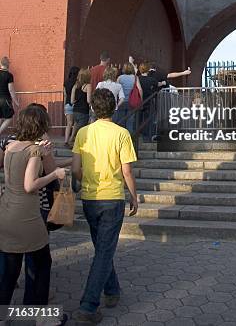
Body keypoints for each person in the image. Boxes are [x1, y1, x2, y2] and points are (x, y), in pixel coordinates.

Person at [72, 89, 138, 324]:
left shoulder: (83, 132)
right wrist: (134, 196)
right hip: (112, 198)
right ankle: (89, 305)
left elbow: (75, 168)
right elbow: (127, 171)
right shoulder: (121, 134)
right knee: (104, 250)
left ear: (92, 108)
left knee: (102, 247)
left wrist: (84, 180)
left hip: (90, 198)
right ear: (114, 108)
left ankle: (112, 291)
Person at [0, 106, 67, 325]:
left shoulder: (11, 147)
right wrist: (55, 174)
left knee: (9, 271)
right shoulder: (34, 151)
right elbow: (30, 185)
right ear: (41, 126)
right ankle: (41, 317)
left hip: (7, 213)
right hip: (27, 217)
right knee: (41, 264)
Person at [116, 62, 143, 131]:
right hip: (132, 102)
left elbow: (116, 89)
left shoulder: (120, 78)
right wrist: (141, 100)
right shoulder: (135, 77)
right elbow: (140, 89)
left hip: (121, 101)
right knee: (130, 122)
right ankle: (129, 138)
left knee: (121, 121)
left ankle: (121, 138)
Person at [138, 62, 160, 141]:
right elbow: (157, 85)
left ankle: (139, 135)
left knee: (139, 119)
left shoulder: (138, 79)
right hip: (149, 101)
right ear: (148, 70)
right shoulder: (152, 80)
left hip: (140, 102)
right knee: (149, 120)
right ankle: (148, 137)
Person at [71, 68, 92, 145]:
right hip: (83, 111)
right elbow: (88, 100)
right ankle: (76, 143)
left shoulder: (75, 86)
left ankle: (71, 140)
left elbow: (72, 101)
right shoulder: (88, 86)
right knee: (81, 129)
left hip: (75, 110)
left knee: (75, 126)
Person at [0, 56, 19, 135]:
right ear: (8, 65)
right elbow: (11, 90)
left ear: (1, 64)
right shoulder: (9, 75)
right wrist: (16, 102)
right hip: (5, 100)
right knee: (9, 117)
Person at [63, 66, 79, 146]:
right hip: (75, 104)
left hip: (67, 105)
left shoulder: (66, 82)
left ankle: (66, 140)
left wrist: (64, 106)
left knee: (68, 124)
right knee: (75, 123)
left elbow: (65, 95)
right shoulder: (77, 83)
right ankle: (71, 139)